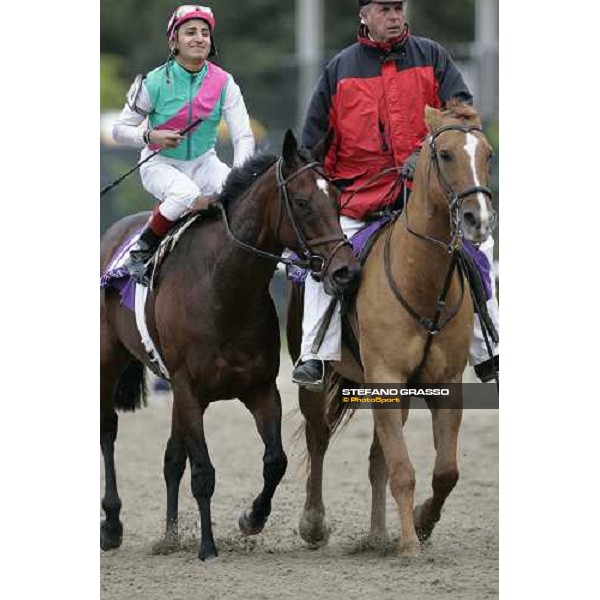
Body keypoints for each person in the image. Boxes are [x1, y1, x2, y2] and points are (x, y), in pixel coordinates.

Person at [292, 0, 499, 387]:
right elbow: (312, 144)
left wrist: (422, 152)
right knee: (324, 262)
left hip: (426, 199)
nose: (394, 16)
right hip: (360, 199)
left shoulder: (432, 55)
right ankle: (316, 354)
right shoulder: (339, 68)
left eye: (398, 8)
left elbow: (464, 113)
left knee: (479, 249)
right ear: (364, 15)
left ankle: (488, 350)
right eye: (384, 9)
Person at [112, 5, 255, 283]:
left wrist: (239, 178)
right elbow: (119, 130)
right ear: (173, 41)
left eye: (205, 33)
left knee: (244, 198)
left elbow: (243, 137)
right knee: (185, 193)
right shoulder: (152, 83)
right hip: (159, 164)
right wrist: (150, 136)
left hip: (205, 162)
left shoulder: (225, 83)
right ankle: (141, 252)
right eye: (190, 32)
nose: (199, 38)